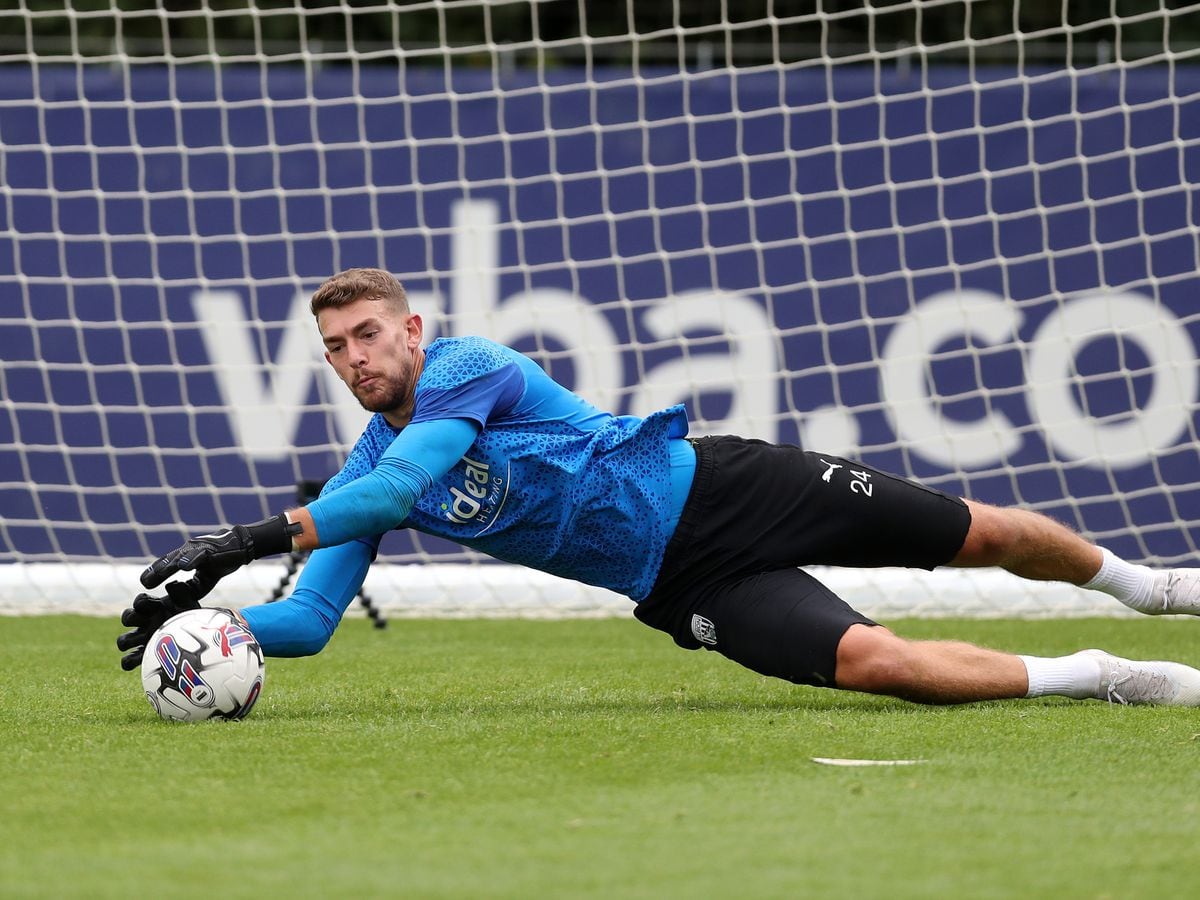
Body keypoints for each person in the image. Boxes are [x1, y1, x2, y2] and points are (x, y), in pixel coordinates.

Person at [118, 267, 1200, 707]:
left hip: (726, 487)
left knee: (980, 533)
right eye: (336, 350)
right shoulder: (359, 474)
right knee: (876, 662)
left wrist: (242, 534)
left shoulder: (465, 369)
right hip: (673, 577)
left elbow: (403, 485)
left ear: (411, 331)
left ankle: (1146, 587)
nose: (357, 357)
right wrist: (218, 617)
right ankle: (1101, 672)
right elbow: (309, 616)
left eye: (369, 335)